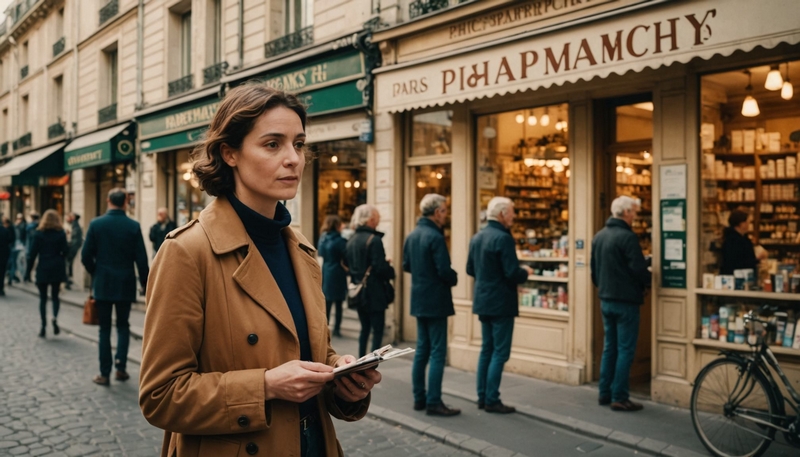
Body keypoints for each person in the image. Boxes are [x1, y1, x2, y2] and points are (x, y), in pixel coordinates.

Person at [139, 84, 379, 457]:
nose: (294, 159)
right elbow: (160, 396)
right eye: (273, 144)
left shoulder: (301, 250)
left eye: (298, 144)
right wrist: (265, 385)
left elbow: (313, 355)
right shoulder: (187, 251)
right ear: (229, 153)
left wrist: (340, 377)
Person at [466, 197, 532, 414]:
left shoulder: (477, 237)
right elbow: (512, 272)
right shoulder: (503, 238)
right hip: (501, 302)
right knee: (500, 352)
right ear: (503, 214)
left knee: (487, 349)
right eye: (512, 212)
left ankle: (482, 396)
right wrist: (526, 272)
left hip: (483, 300)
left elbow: (470, 269)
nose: (514, 216)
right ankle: (492, 399)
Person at [82, 188, 149, 386]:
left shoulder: (96, 224)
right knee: (123, 326)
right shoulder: (133, 226)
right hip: (125, 283)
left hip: (103, 283)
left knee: (104, 329)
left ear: (108, 200)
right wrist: (145, 285)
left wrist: (96, 271)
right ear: (125, 203)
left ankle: (104, 372)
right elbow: (142, 260)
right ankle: (121, 367)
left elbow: (85, 255)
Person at [590, 196, 652, 412]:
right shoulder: (627, 237)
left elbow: (594, 273)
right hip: (626, 301)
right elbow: (637, 269)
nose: (635, 216)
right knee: (625, 349)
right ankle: (620, 396)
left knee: (610, 348)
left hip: (606, 299)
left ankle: (604, 393)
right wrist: (648, 280)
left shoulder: (599, 236)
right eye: (633, 212)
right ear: (626, 213)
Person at [403, 193, 460, 417]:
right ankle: (434, 401)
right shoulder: (435, 237)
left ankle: (420, 398)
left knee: (422, 350)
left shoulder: (413, 234)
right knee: (437, 352)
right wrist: (453, 277)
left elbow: (407, 265)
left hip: (419, 297)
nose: (446, 215)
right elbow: (444, 270)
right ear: (437, 213)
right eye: (445, 211)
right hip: (436, 299)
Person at [345, 204, 395, 357]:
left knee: (364, 328)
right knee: (377, 329)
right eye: (377, 218)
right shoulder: (374, 240)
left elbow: (347, 264)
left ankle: (361, 359)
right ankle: (372, 362)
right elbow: (380, 268)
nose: (378, 222)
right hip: (374, 292)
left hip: (359, 290)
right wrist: (390, 269)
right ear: (371, 219)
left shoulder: (351, 240)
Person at [26, 210, 68, 338]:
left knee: (43, 298)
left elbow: (32, 254)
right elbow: (65, 251)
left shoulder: (39, 234)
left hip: (43, 266)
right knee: (55, 296)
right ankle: (54, 318)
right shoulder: (61, 233)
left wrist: (28, 272)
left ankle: (43, 326)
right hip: (57, 266)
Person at [318, 214, 347, 337]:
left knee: (327, 302)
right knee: (339, 303)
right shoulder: (341, 241)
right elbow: (345, 257)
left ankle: (326, 327)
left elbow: (321, 254)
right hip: (338, 272)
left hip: (326, 270)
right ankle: (337, 329)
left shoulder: (323, 239)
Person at [720, 209, 765, 275]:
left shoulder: (742, 238)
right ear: (741, 223)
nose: (749, 224)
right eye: (748, 222)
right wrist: (757, 259)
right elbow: (738, 263)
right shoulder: (733, 241)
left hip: (743, 276)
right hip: (737, 278)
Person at [65, 212, 83, 290]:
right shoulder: (73, 226)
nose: (67, 218)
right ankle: (68, 280)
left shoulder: (75, 227)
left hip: (72, 249)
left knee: (67, 264)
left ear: (73, 218)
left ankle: (67, 281)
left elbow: (75, 241)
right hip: (72, 249)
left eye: (69, 217)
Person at [7, 213, 25, 285]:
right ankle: (12, 276)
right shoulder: (14, 227)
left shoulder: (23, 226)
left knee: (16, 262)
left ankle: (12, 276)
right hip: (16, 246)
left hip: (19, 246)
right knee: (13, 262)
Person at [23, 212, 40, 282]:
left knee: (30, 262)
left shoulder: (30, 226)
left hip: (30, 246)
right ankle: (27, 276)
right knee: (31, 262)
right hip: (32, 246)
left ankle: (27, 276)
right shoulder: (36, 226)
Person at [0, 217, 13, 296]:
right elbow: (10, 240)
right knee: (2, 272)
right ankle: (1, 288)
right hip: (3, 254)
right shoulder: (5, 230)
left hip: (3, 254)